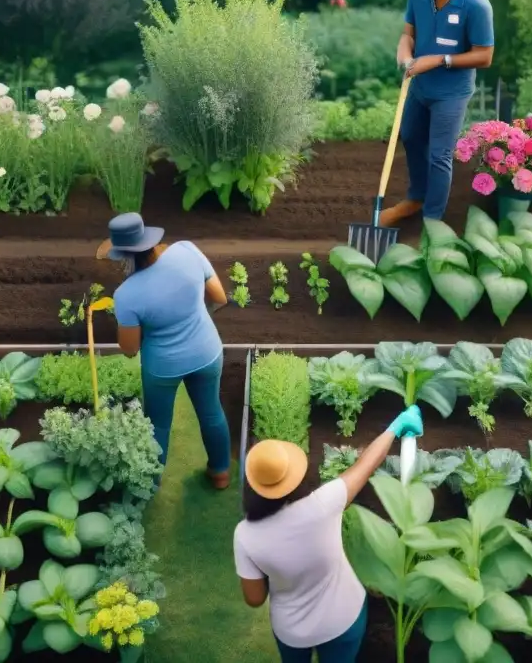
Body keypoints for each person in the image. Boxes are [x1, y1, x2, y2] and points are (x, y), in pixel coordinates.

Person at [233, 405, 425, 663]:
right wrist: (397, 425)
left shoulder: (245, 535)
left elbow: (255, 599)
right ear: (295, 479)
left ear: (252, 486)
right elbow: (366, 463)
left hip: (292, 631)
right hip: (343, 618)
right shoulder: (324, 504)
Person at [104, 212, 232, 490]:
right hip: (207, 351)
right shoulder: (187, 250)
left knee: (158, 424)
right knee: (211, 412)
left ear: (124, 256)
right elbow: (220, 298)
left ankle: (152, 481)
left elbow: (129, 349)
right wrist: (193, 316)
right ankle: (220, 473)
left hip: (162, 366)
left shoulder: (126, 294)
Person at [381, 0, 496, 227]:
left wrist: (438, 60)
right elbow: (409, 33)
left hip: (451, 93)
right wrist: (405, 52)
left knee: (439, 155)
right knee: (410, 136)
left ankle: (432, 220)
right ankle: (416, 197)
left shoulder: (475, 5)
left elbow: (485, 56)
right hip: (419, 86)